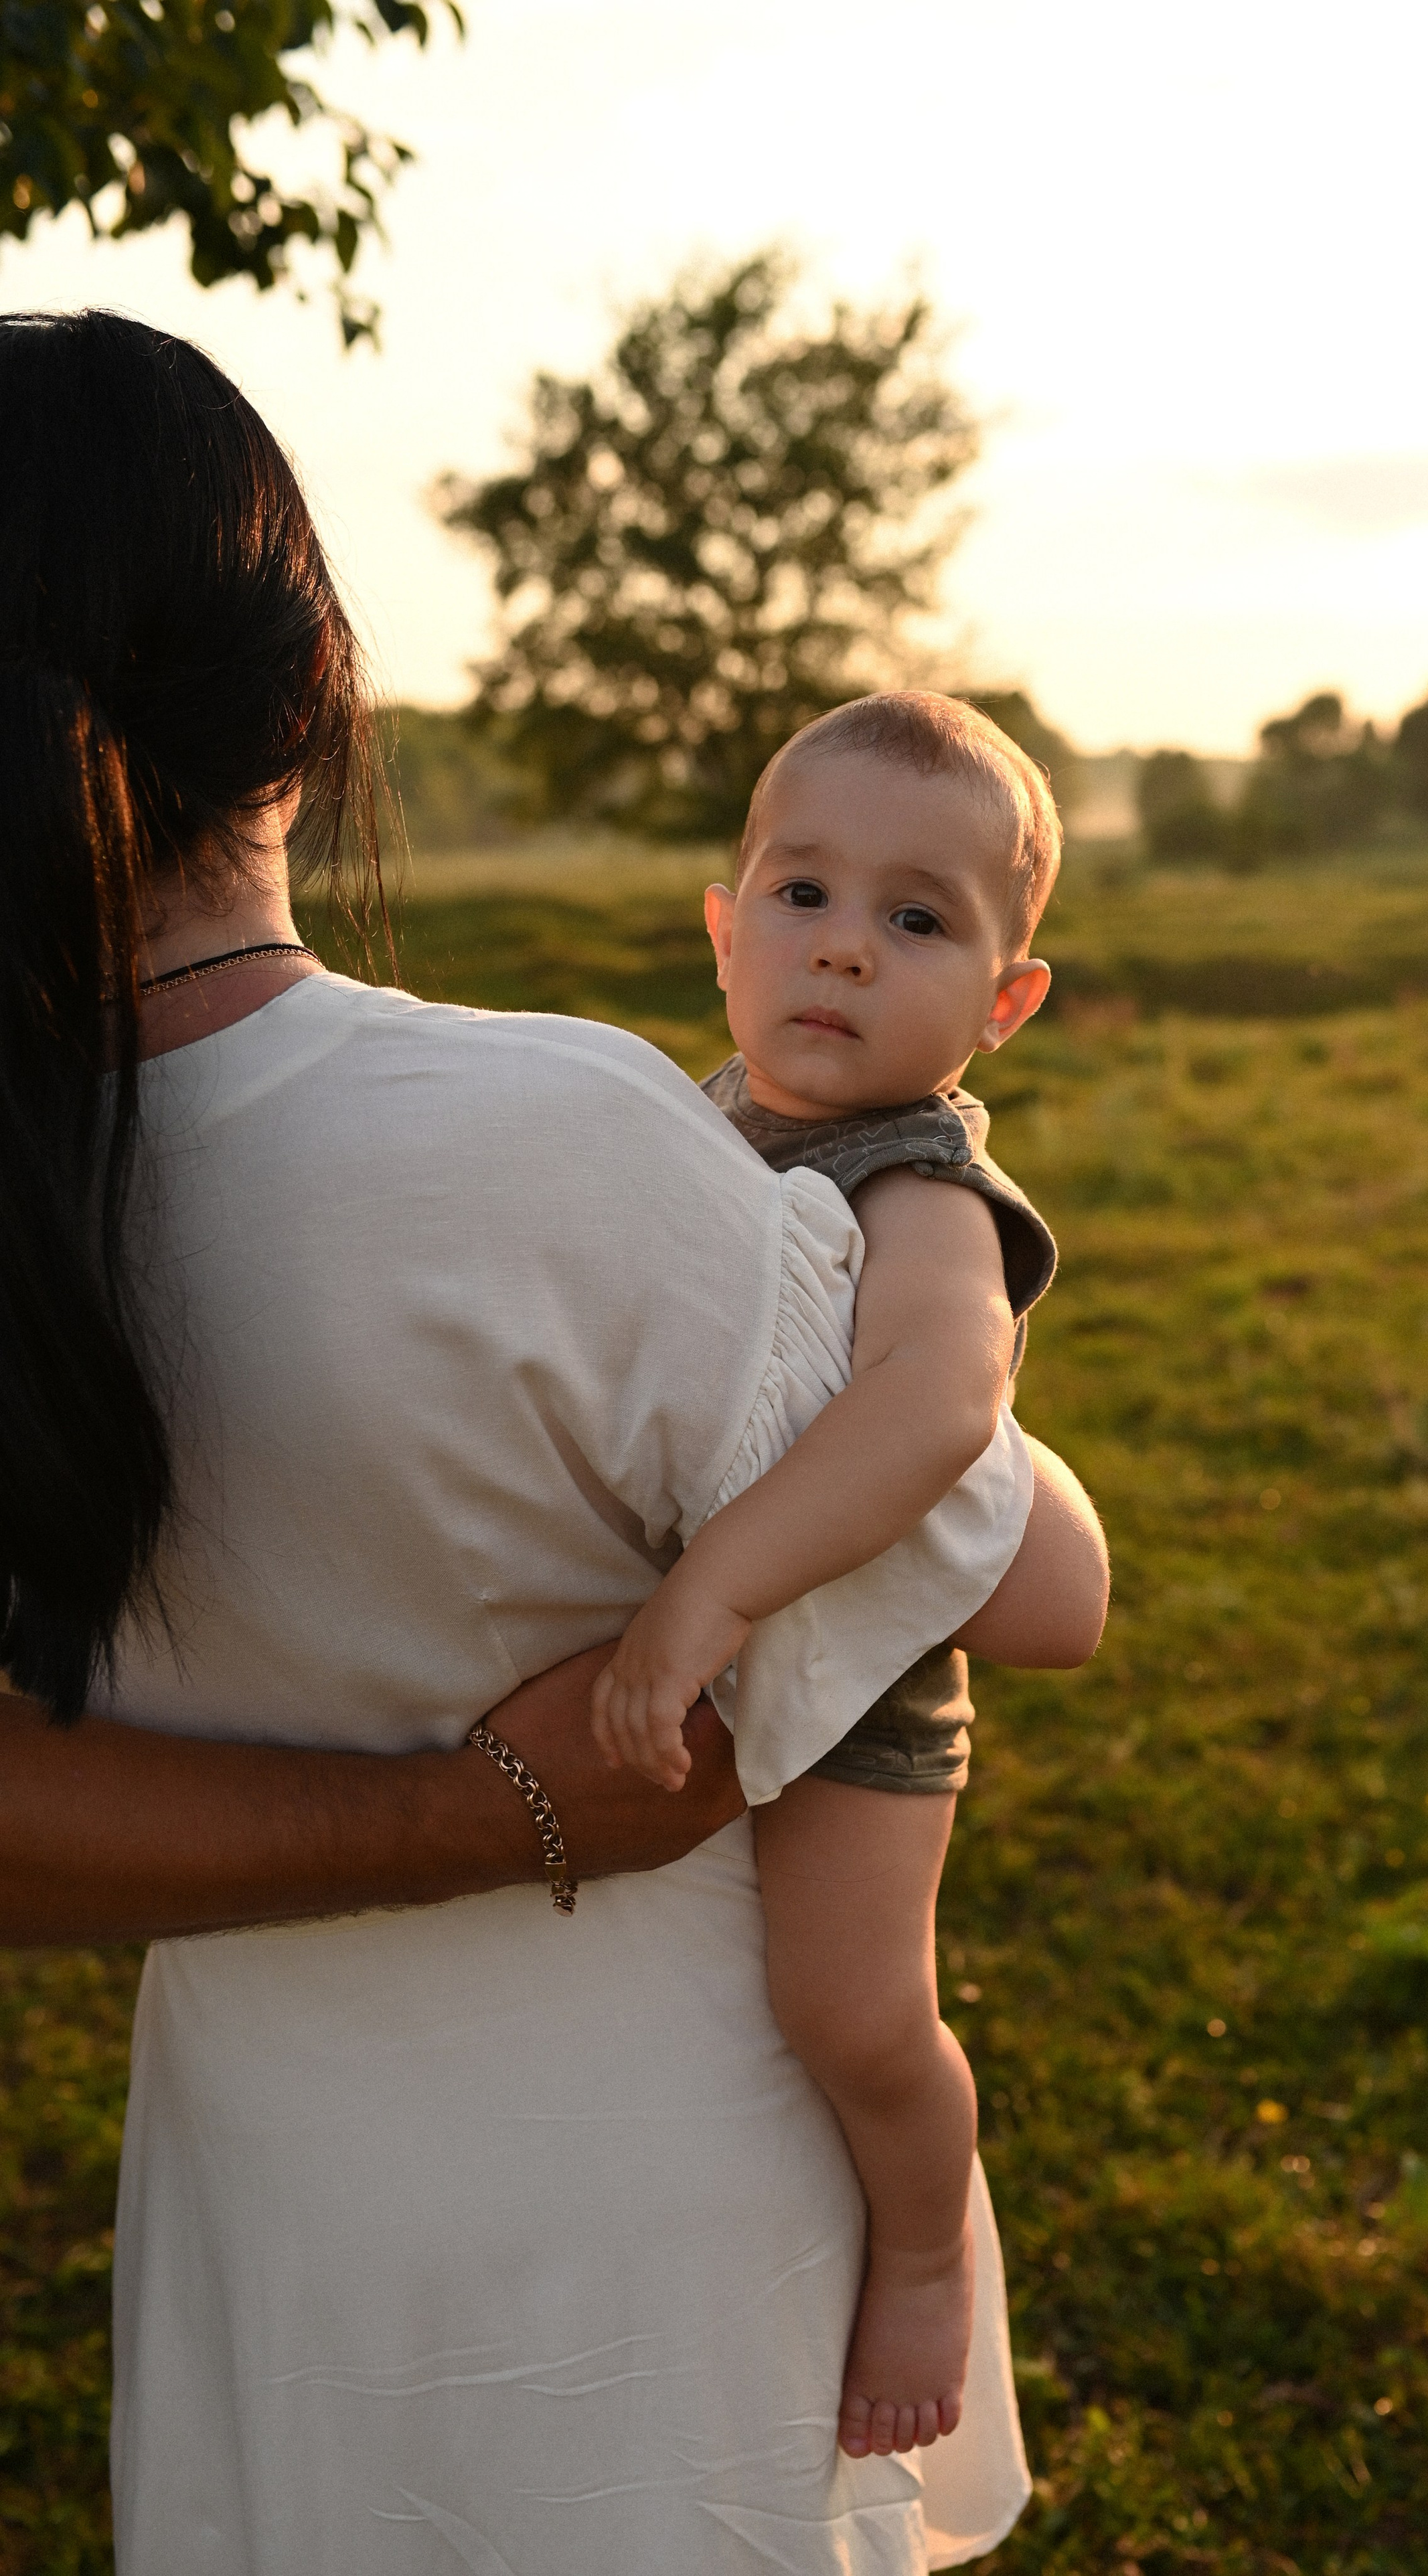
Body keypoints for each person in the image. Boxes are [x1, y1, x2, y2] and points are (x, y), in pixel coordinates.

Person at [0, 309, 1110, 2576]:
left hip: (274, 2220)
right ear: (307, 700)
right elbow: (1046, 1587)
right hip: (640, 2241)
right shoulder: (566, 1146)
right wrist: (506, 1794)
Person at [592, 692, 1090, 2462]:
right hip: (722, 1652)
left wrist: (717, 1587)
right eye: (803, 895)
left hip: (865, 1685)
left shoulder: (925, 1189)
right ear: (725, 925)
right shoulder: (695, 1126)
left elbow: (935, 1407)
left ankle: (925, 2256)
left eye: (919, 919)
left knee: (853, 2012)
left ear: (1005, 1002)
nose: (846, 952)